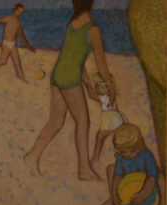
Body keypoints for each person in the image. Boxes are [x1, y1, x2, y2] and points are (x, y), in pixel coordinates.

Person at [23, 0, 114, 180]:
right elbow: (101, 65)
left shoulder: (72, 24)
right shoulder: (93, 29)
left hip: (57, 75)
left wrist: (88, 85)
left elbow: (72, 57)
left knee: (56, 121)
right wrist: (111, 89)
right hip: (69, 79)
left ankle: (32, 155)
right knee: (83, 122)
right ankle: (83, 169)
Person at [104, 123, 165, 205]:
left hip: (148, 186)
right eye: (123, 151)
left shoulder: (146, 156)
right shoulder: (121, 158)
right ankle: (112, 200)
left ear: (139, 144)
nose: (128, 154)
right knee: (111, 169)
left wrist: (143, 195)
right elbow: (118, 176)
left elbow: (151, 177)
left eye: (133, 150)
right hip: (130, 182)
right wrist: (115, 195)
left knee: (161, 179)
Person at [84, 71, 125, 163]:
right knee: (103, 137)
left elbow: (91, 95)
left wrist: (87, 84)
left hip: (110, 118)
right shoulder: (111, 96)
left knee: (100, 137)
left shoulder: (105, 97)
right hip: (116, 117)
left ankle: (96, 157)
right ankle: (97, 157)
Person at [0, 3, 32, 82]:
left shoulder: (18, 22)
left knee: (17, 62)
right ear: (15, 10)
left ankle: (21, 77)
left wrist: (28, 46)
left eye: (21, 12)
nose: (20, 13)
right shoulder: (8, 18)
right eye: (19, 11)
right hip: (6, 43)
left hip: (13, 44)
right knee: (3, 61)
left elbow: (21, 35)